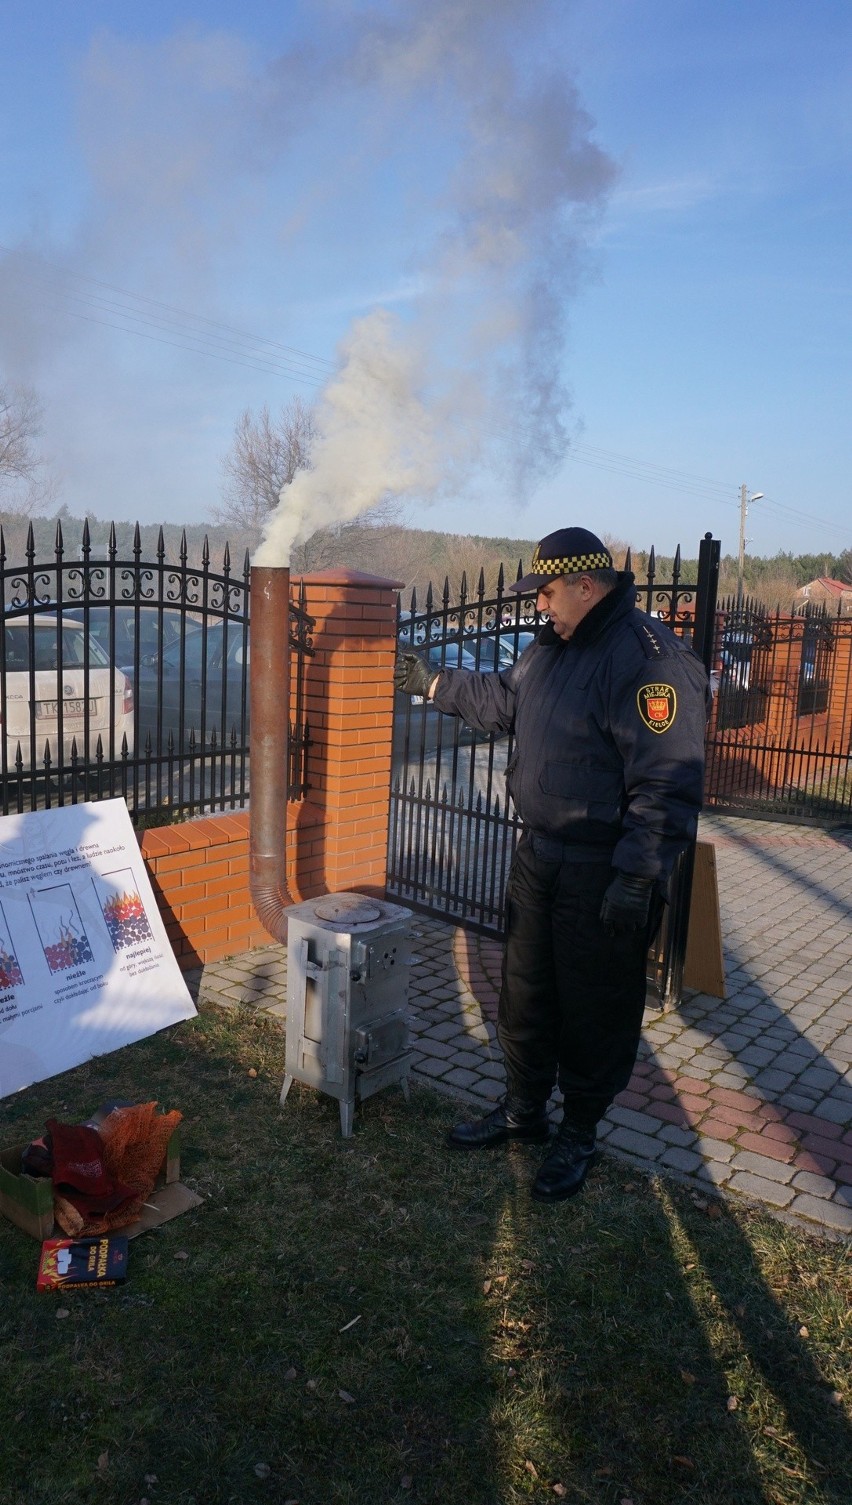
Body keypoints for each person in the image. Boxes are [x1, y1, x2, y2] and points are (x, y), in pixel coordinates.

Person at [394, 526, 710, 1204]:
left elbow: (668, 780)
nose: (539, 605)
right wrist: (434, 681)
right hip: (540, 856)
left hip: (604, 871)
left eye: (545, 592)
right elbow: (502, 701)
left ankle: (581, 1130)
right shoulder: (551, 648)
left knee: (595, 1007)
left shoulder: (649, 661)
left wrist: (637, 874)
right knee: (527, 992)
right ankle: (523, 1110)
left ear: (586, 587)